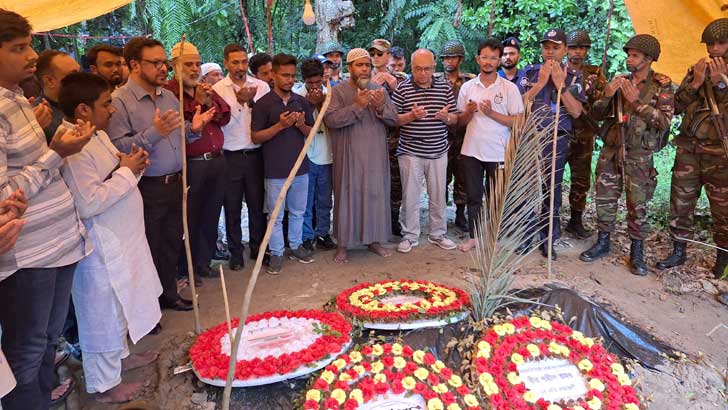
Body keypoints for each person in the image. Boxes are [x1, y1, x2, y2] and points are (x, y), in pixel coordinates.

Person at [0, 9, 94, 410]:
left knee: (47, 338)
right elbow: (5, 193)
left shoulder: (18, 98)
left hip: (57, 242)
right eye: (18, 48)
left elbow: (25, 163)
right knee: (27, 347)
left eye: (29, 45)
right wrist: (57, 153)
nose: (31, 55)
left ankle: (43, 399)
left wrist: (49, 142)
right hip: (27, 254)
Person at [58, 72, 161, 404]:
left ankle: (121, 360)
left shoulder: (96, 135)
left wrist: (133, 166)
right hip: (101, 247)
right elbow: (88, 202)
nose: (113, 110)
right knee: (102, 314)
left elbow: (119, 170)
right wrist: (127, 171)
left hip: (122, 239)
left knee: (122, 305)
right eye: (106, 104)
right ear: (83, 110)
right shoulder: (73, 145)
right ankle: (105, 386)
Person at [106, 37, 215, 311]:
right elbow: (116, 147)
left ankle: (168, 294)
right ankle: (146, 308)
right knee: (148, 247)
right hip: (146, 186)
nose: (163, 68)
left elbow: (178, 134)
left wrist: (194, 128)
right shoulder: (119, 101)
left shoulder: (167, 95)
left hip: (177, 181)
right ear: (134, 65)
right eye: (155, 63)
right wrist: (155, 133)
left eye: (163, 62)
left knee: (171, 242)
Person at [580, 34, 674, 276]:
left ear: (649, 59)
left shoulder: (662, 85)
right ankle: (603, 241)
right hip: (612, 151)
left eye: (634, 56)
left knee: (638, 205)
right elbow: (597, 114)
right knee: (604, 198)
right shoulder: (620, 81)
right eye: (628, 55)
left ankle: (637, 251)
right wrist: (608, 94)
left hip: (640, 154)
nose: (629, 60)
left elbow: (664, 122)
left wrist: (637, 103)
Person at [656, 18, 728, 305]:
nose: (714, 49)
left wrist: (722, 84)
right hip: (689, 149)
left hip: (720, 154)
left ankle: (722, 257)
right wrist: (696, 83)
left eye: (720, 42)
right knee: (681, 201)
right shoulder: (697, 70)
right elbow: (676, 106)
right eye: (710, 44)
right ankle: (678, 250)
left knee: (723, 209)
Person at [324, 48, 398, 263]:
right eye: (360, 65)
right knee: (347, 196)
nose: (365, 68)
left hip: (374, 155)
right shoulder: (338, 92)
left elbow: (394, 119)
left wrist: (381, 106)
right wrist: (357, 106)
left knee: (374, 194)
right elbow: (331, 120)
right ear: (350, 68)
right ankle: (343, 244)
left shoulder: (379, 90)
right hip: (348, 156)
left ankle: (373, 241)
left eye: (367, 65)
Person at [165, 41, 231, 279]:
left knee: (211, 214)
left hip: (216, 161)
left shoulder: (204, 88)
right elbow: (179, 124)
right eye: (188, 64)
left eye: (197, 64)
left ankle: (203, 263)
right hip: (192, 164)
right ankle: (187, 268)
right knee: (189, 218)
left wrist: (207, 101)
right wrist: (198, 105)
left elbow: (224, 116)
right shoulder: (169, 92)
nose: (194, 69)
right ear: (175, 66)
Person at [521, 28, 586, 259]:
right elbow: (518, 105)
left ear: (565, 50)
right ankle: (526, 235)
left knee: (552, 189)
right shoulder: (529, 72)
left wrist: (560, 85)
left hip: (557, 139)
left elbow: (577, 112)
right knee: (529, 188)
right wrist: (539, 84)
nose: (550, 52)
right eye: (546, 47)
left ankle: (549, 239)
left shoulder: (574, 76)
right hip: (531, 138)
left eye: (555, 47)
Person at [455, 38, 525, 252]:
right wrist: (468, 112)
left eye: (493, 58)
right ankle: (474, 237)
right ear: (478, 59)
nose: (488, 62)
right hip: (471, 150)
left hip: (499, 152)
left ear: (499, 60)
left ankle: (493, 237)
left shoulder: (510, 88)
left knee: (496, 197)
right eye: (484, 57)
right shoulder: (468, 87)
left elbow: (518, 122)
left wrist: (491, 113)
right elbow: (460, 121)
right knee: (474, 196)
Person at [252, 53, 314, 274]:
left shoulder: (302, 102)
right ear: (274, 76)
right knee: (275, 215)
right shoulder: (263, 104)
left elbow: (311, 133)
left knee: (298, 211)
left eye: (292, 76)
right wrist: (279, 126)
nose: (289, 79)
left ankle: (295, 246)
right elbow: (256, 137)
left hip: (300, 168)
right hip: (275, 170)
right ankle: (277, 252)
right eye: (284, 75)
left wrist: (299, 125)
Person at [391, 49, 458, 253]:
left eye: (426, 69)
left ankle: (438, 233)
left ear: (433, 67)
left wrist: (446, 118)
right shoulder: (402, 89)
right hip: (410, 150)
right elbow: (393, 119)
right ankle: (410, 236)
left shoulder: (445, 87)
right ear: (411, 67)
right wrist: (410, 116)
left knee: (438, 194)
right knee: (410, 196)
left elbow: (455, 117)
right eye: (418, 69)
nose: (422, 73)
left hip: (438, 150)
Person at [212, 44, 270, 270]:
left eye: (244, 62)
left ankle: (258, 248)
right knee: (233, 207)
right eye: (235, 62)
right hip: (230, 156)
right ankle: (236, 252)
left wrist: (252, 102)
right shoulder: (218, 89)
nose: (240, 67)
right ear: (226, 63)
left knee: (257, 205)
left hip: (256, 154)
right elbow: (220, 123)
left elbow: (266, 119)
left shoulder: (262, 86)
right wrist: (239, 103)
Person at [564, 30, 608, 238]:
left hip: (584, 134)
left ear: (587, 50)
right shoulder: (557, 71)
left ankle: (575, 220)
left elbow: (603, 103)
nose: (577, 52)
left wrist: (593, 92)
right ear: (566, 49)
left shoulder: (594, 73)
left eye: (581, 48)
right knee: (550, 177)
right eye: (573, 47)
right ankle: (549, 219)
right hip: (560, 133)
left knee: (581, 179)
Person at [293, 58, 336, 252]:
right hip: (305, 156)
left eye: (317, 82)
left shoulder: (330, 94)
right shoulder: (296, 96)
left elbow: (332, 122)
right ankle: (307, 236)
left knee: (324, 199)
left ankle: (323, 233)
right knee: (306, 200)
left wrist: (319, 104)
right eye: (310, 83)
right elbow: (302, 125)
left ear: (323, 77)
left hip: (327, 154)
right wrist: (310, 104)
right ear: (303, 80)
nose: (314, 86)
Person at [437, 39, 476, 231]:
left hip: (463, 136)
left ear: (460, 59)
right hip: (440, 135)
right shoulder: (435, 80)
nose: (449, 61)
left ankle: (461, 215)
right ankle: (440, 215)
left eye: (453, 57)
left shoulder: (470, 80)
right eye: (446, 58)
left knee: (463, 176)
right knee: (441, 177)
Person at [34, 50, 81, 141]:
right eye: (74, 75)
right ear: (49, 81)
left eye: (80, 72)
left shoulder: (85, 102)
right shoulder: (38, 117)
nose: (83, 78)